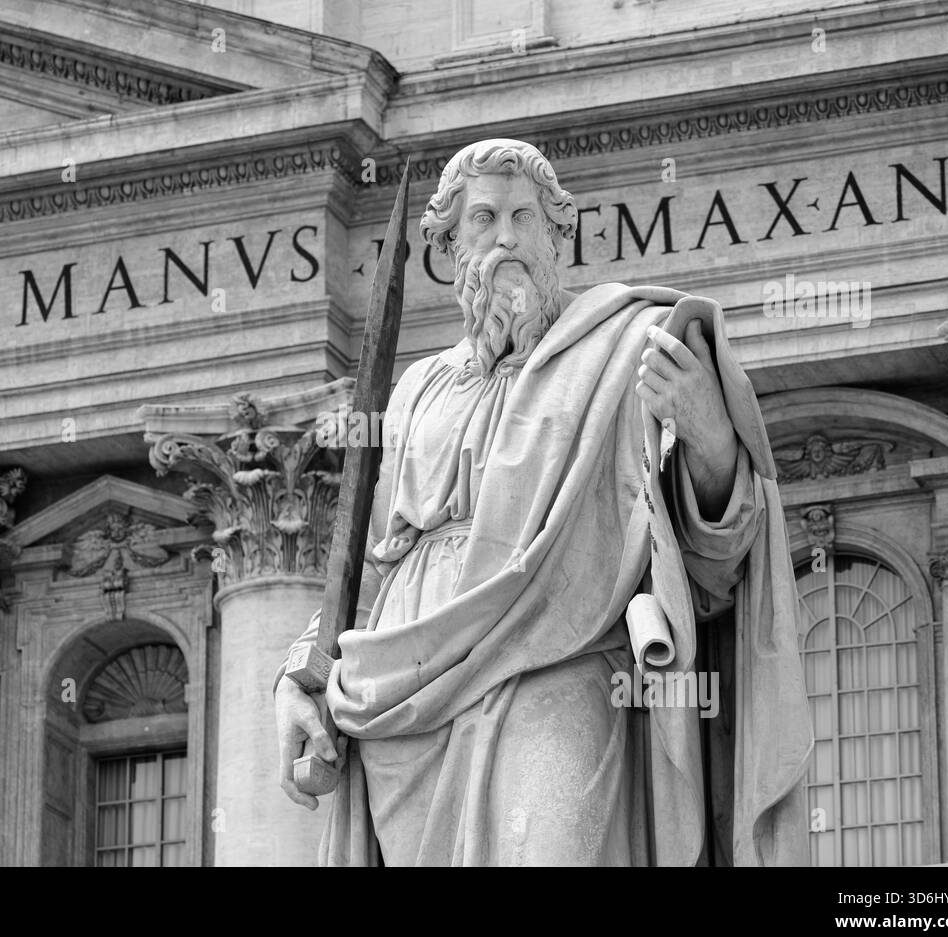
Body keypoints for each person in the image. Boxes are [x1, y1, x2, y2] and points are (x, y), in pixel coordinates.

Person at [274, 139, 812, 866]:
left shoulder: (621, 349)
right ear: (448, 247)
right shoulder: (416, 390)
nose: (504, 238)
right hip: (406, 701)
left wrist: (712, 439)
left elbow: (713, 562)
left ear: (558, 235)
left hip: (562, 661)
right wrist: (300, 675)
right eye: (483, 219)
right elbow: (371, 568)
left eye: (524, 218)